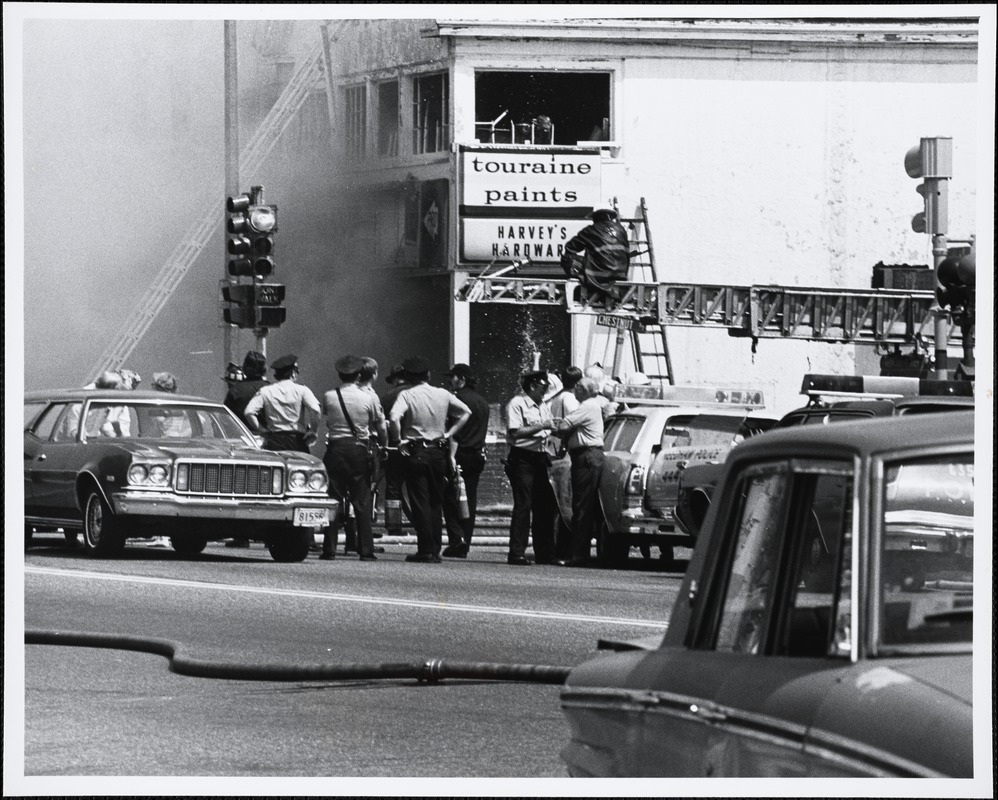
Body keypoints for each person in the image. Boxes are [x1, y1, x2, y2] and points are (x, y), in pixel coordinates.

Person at [389, 357, 471, 563]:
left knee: (420, 501)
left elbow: (393, 417)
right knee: (436, 500)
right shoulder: (443, 394)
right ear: (428, 375)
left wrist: (399, 440)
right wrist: (448, 432)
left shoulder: (407, 394)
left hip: (416, 451)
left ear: (407, 377)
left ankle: (425, 549)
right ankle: (435, 547)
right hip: (438, 451)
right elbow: (465, 412)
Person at [320, 355, 388, 562]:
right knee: (362, 500)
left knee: (333, 499)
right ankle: (366, 549)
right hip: (359, 449)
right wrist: (384, 445)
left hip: (335, 449)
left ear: (340, 375)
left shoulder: (329, 396)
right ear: (359, 375)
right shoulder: (369, 398)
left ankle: (329, 548)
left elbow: (326, 416)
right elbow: (380, 425)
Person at [504, 370, 558, 566]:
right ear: (533, 386)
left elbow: (547, 427)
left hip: (541, 457)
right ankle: (517, 552)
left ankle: (545, 553)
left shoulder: (543, 405)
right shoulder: (517, 404)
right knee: (523, 505)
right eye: (543, 387)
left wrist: (554, 428)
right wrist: (542, 426)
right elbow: (515, 432)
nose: (545, 391)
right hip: (523, 458)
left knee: (545, 506)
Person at [552, 378, 606, 567]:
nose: (575, 390)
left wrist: (554, 426)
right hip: (585, 456)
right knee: (582, 504)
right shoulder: (590, 406)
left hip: (586, 456)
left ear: (587, 391)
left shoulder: (588, 406)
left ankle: (578, 553)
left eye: (579, 388)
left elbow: (564, 426)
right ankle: (578, 551)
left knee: (582, 505)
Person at [441, 363, 490, 559]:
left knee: (449, 497)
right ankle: (465, 541)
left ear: (461, 378)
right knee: (469, 498)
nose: (450, 381)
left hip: (459, 453)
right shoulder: (482, 402)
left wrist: (451, 456)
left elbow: (455, 431)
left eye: (453, 377)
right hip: (477, 454)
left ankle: (457, 539)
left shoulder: (457, 400)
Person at [243, 354, 321, 453]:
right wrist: (313, 432)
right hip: (296, 441)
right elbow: (315, 410)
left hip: (274, 441)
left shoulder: (265, 391)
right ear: (293, 373)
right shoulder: (302, 390)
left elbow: (248, 412)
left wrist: (262, 430)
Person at [560, 208, 630, 305]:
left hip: (601, 275)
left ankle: (589, 287)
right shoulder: (621, 230)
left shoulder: (591, 230)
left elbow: (570, 247)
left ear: (596, 216)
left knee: (567, 259)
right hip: (620, 275)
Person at [224, 351, 269, 420]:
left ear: (244, 367)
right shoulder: (270, 389)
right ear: (264, 368)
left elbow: (226, 418)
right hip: (267, 430)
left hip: (239, 430)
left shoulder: (235, 390)